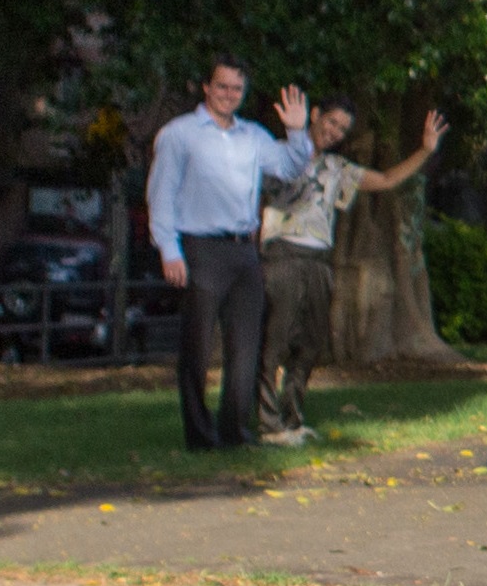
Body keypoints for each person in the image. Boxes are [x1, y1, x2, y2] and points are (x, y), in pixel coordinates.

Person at [253, 98, 449, 444]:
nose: (334, 132)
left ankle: (292, 419)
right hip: (282, 254)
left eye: (341, 129)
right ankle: (267, 424)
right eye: (330, 123)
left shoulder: (336, 167)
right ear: (314, 116)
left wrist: (425, 150)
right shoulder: (276, 155)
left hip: (319, 258)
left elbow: (387, 179)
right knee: (275, 340)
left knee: (309, 343)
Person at [146, 61, 313, 450]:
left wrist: (296, 129)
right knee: (198, 348)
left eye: (236, 89)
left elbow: (290, 167)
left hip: (243, 250)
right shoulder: (179, 135)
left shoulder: (252, 136)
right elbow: (161, 195)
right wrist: (169, 250)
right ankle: (200, 436)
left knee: (245, 347)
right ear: (206, 87)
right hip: (200, 248)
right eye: (222, 87)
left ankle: (235, 432)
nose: (228, 95)